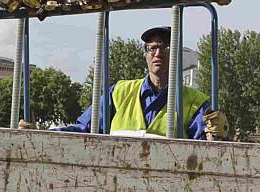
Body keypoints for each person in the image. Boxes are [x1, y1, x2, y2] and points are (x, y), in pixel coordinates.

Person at [53, 27, 213, 139]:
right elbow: (84, 130)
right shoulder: (118, 92)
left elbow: (206, 148)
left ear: (177, 55)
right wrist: (41, 134)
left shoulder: (196, 102)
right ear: (145, 55)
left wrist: (218, 133)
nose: (158, 53)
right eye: (152, 48)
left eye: (165, 48)